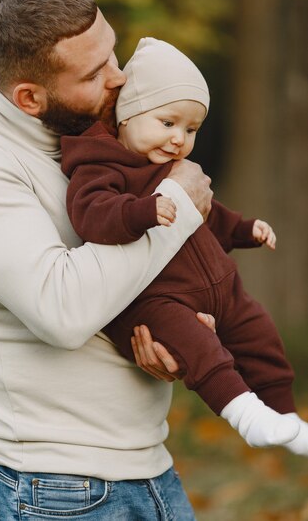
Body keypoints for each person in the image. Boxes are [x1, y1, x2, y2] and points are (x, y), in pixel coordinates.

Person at [0, 0, 215, 521]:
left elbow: (129, 279)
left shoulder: (94, 146)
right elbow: (63, 308)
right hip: (51, 489)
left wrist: (182, 328)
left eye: (114, 54)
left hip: (147, 470)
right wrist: (179, 205)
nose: (120, 79)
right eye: (96, 72)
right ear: (29, 97)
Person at [61, 37, 308, 455]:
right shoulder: (99, 165)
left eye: (191, 129)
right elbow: (91, 213)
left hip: (220, 284)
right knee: (200, 348)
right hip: (159, 297)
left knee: (261, 334)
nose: (179, 138)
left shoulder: (170, 165)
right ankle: (245, 414)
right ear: (127, 115)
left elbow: (208, 213)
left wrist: (246, 230)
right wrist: (141, 212)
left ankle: (285, 419)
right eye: (167, 122)